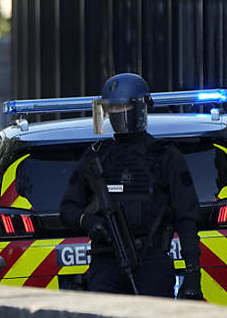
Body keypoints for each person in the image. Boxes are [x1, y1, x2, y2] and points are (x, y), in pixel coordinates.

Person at [59, 73, 202, 299]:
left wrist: (193, 275)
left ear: (140, 108)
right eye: (112, 108)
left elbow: (186, 219)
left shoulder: (166, 157)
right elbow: (68, 209)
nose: (117, 113)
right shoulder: (96, 157)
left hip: (151, 262)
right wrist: (88, 221)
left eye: (123, 106)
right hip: (106, 262)